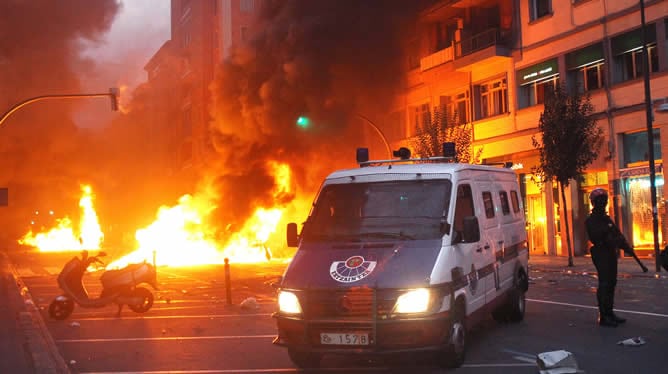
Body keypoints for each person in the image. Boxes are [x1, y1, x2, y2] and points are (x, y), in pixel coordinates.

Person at [585, 188, 634, 327]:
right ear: (594, 203)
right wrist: (608, 235)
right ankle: (604, 316)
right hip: (601, 254)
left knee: (612, 283)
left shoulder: (606, 219)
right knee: (604, 283)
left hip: (610, 253)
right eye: (600, 201)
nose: (603, 203)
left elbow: (617, 234)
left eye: (604, 201)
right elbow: (596, 236)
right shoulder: (592, 220)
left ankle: (610, 312)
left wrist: (625, 246)